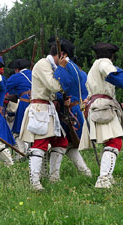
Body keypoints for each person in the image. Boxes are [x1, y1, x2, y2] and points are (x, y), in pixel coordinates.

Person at [79, 42, 123, 188]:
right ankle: (103, 179)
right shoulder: (103, 63)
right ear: (111, 55)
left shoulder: (93, 68)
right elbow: (110, 72)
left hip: (101, 106)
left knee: (110, 142)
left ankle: (106, 176)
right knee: (115, 142)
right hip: (102, 107)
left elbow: (101, 93)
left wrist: (120, 106)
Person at [20, 45, 70, 190]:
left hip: (49, 109)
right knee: (40, 145)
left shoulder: (52, 66)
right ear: (60, 55)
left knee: (61, 142)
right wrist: (61, 68)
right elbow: (54, 85)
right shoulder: (42, 64)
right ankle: (34, 182)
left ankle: (54, 177)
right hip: (40, 109)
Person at [48, 38, 91, 177]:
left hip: (69, 111)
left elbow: (58, 88)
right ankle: (85, 172)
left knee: (59, 143)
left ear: (63, 54)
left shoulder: (65, 67)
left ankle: (53, 177)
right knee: (71, 145)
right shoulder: (80, 70)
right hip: (78, 111)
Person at [6, 59, 32, 158]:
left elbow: (4, 87)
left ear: (17, 69)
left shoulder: (17, 76)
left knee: (18, 130)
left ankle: (21, 154)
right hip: (37, 103)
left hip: (25, 103)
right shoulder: (33, 73)